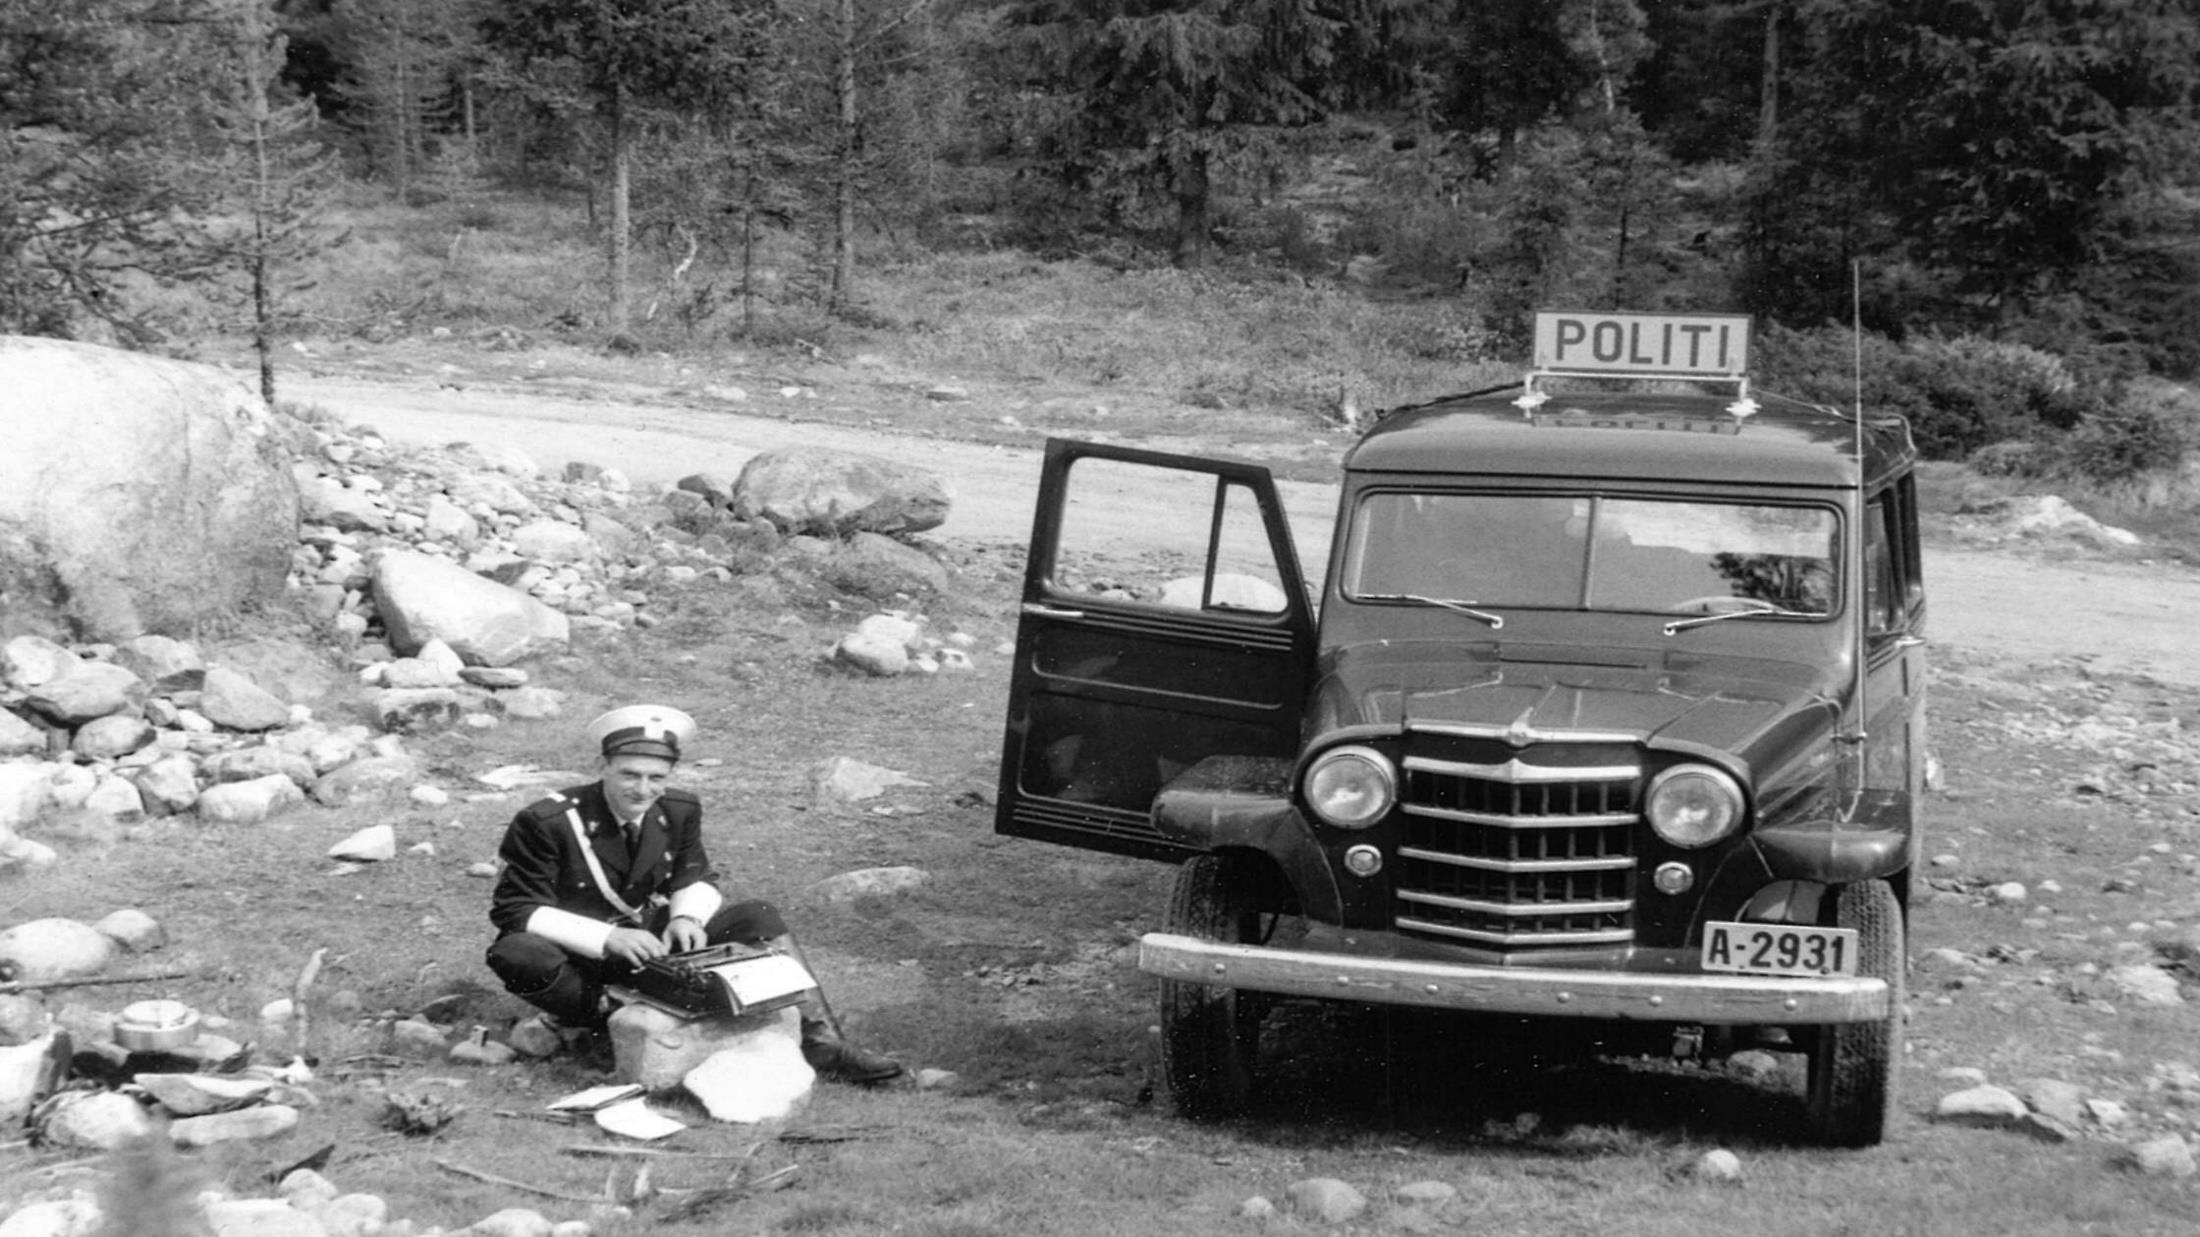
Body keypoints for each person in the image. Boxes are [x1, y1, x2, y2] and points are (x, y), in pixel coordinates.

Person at [486, 704, 902, 1084]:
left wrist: (687, 918)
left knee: (757, 916)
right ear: (603, 766)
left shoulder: (678, 810)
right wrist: (607, 938)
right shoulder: (549, 821)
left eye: (656, 778)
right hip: (584, 958)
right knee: (518, 953)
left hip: (650, 945)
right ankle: (605, 1029)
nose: (643, 789)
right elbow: (516, 909)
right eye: (629, 774)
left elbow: (695, 875)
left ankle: (819, 1043)